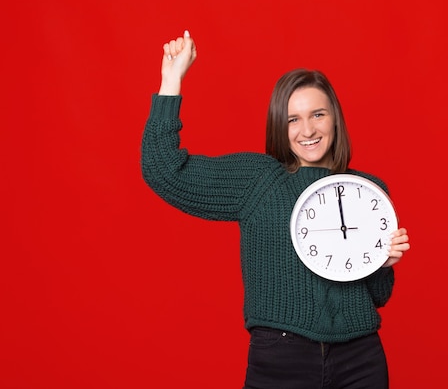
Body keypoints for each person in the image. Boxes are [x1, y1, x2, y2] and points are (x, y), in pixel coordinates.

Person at [141, 30, 410, 389]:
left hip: (360, 360)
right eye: (292, 119)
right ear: (278, 127)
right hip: (281, 359)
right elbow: (163, 169)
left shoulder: (369, 190)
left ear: (335, 119)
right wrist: (171, 81)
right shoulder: (259, 180)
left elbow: (378, 295)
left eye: (318, 114)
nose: (308, 130)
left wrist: (384, 263)